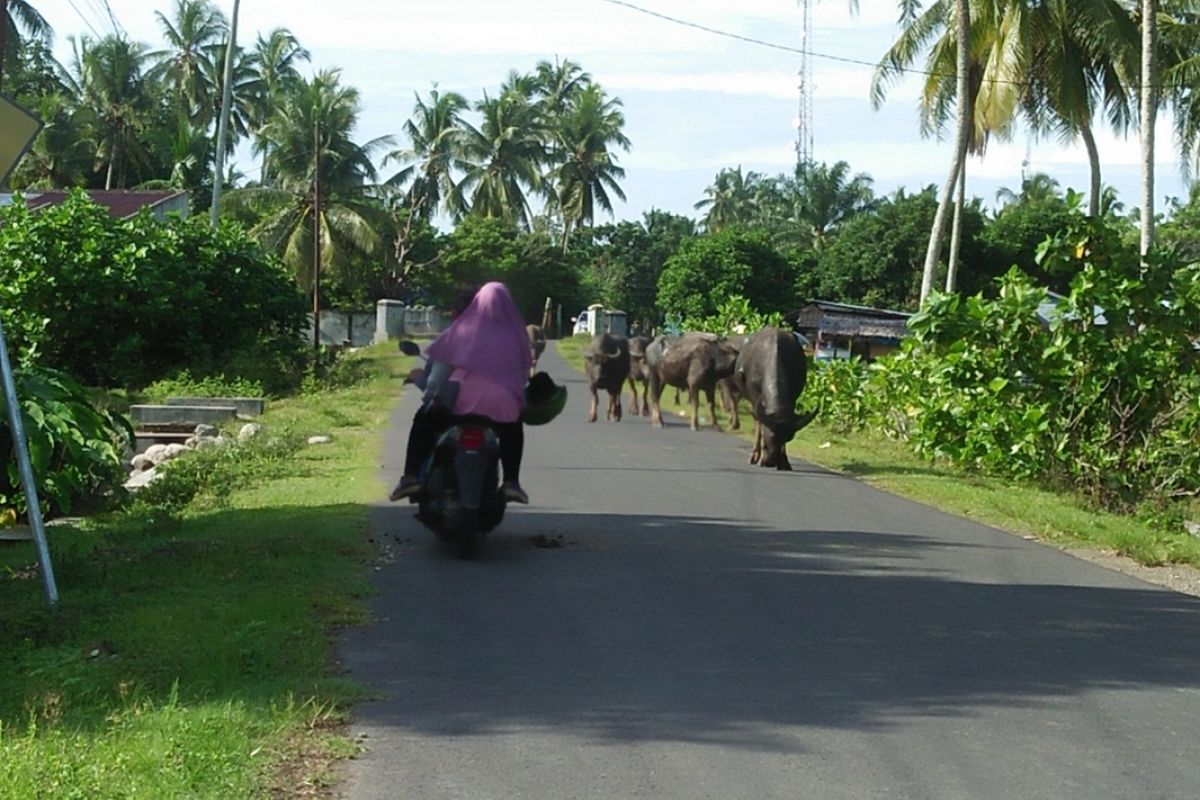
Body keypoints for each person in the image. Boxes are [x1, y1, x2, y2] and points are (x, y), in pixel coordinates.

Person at [390, 282, 533, 504]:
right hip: (500, 408)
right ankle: (512, 482)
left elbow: (438, 375)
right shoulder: (516, 338)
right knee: (513, 428)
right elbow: (522, 378)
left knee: (422, 420)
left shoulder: (461, 331)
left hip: (458, 403)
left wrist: (430, 398)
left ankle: (409, 478)